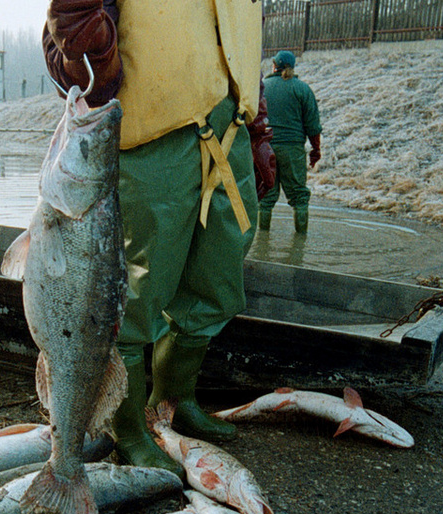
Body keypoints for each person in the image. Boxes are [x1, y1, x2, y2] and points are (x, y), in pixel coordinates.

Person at [43, 1, 276, 475]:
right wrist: (88, 53)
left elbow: (237, 46)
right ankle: (124, 427)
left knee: (215, 282)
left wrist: (258, 131)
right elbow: (64, 53)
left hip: (229, 135)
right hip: (149, 142)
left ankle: (173, 402)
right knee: (131, 299)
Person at [257, 50, 321, 234]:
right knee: (299, 197)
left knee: (266, 196)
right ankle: (300, 241)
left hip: (265, 148)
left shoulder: (262, 87)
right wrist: (316, 150)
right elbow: (313, 126)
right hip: (292, 150)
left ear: (274, 65)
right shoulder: (302, 89)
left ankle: (263, 243)